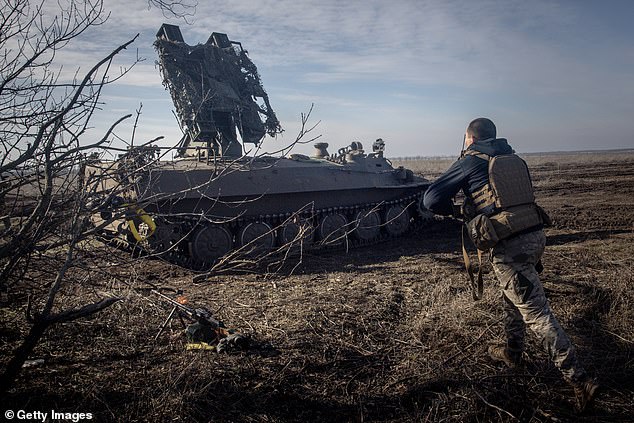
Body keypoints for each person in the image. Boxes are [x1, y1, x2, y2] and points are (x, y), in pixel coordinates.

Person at [422, 118, 598, 412]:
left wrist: (459, 211)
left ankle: (580, 380)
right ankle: (513, 352)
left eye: (466, 140)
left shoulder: (472, 160)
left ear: (470, 138)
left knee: (537, 313)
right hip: (534, 235)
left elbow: (430, 199)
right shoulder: (512, 157)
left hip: (511, 245)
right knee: (512, 297)